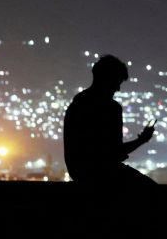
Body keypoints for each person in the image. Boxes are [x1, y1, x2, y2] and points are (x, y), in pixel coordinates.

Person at [64, 54, 156, 185]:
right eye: (117, 82)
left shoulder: (76, 105)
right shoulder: (110, 108)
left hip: (80, 174)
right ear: (107, 79)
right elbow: (114, 153)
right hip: (105, 175)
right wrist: (142, 140)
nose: (118, 88)